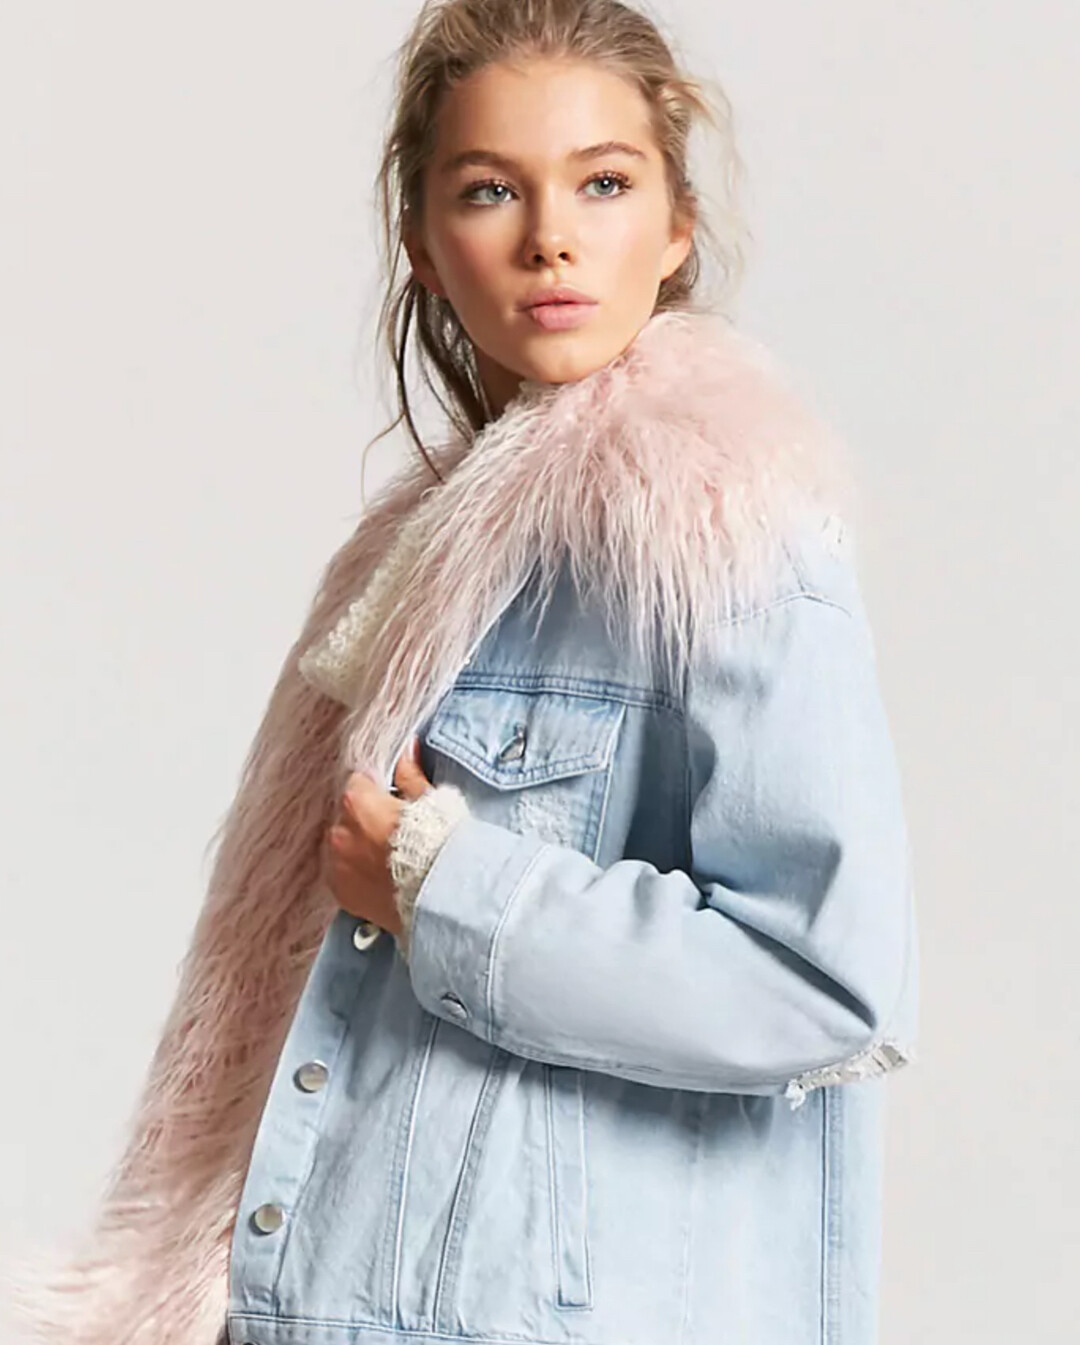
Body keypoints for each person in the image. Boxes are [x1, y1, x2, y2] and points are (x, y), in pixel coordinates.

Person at [2, 2, 919, 1344]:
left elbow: (822, 982)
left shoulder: (726, 537)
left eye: (604, 184)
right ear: (425, 245)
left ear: (675, 227)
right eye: (491, 190)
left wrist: (451, 886)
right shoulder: (421, 562)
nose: (551, 238)